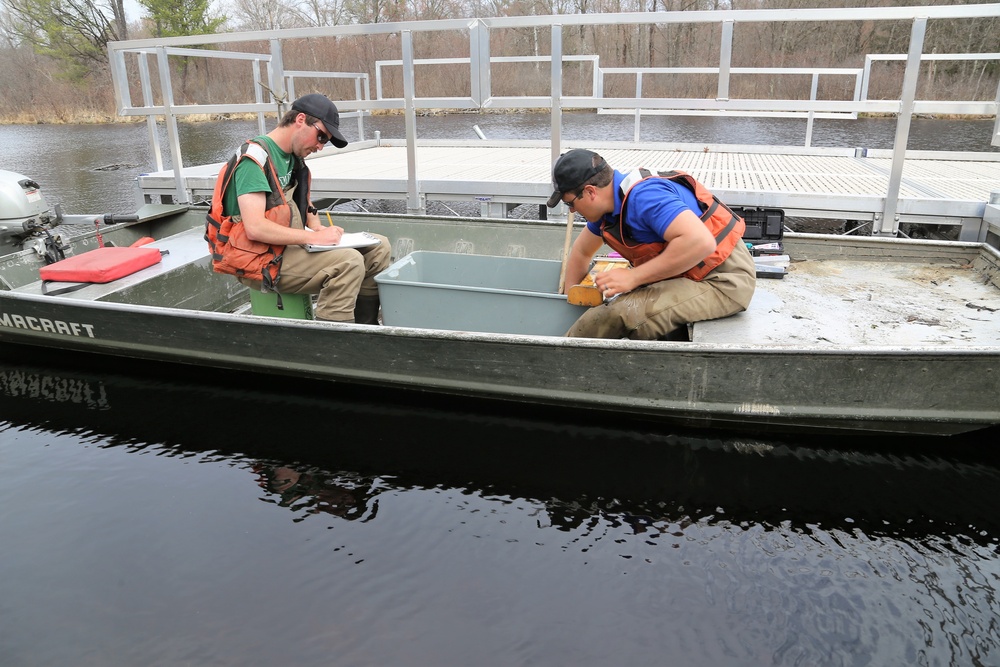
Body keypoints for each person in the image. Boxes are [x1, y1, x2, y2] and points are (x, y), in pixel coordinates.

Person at [206, 93, 391, 323]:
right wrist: (313, 239)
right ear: (300, 120)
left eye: (326, 141)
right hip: (257, 259)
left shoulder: (293, 157)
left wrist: (318, 229)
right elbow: (254, 228)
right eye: (321, 136)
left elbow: (303, 202)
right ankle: (334, 346)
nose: (320, 146)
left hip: (282, 248)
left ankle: (366, 328)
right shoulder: (253, 161)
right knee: (348, 262)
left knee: (379, 247)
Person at [548, 149, 755, 339]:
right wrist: (569, 303)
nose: (572, 211)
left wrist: (633, 277)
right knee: (622, 305)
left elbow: (701, 242)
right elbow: (581, 252)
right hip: (688, 274)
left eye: (570, 203)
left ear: (591, 192)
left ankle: (553, 364)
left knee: (622, 314)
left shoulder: (645, 197)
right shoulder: (608, 209)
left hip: (723, 281)